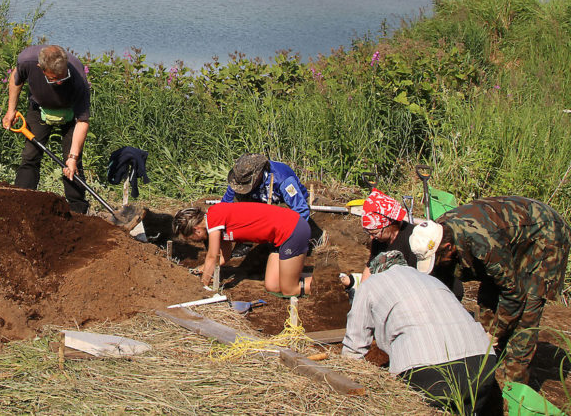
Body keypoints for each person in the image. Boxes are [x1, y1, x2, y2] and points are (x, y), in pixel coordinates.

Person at [409, 196, 571, 385]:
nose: (436, 265)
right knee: (488, 298)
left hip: (546, 235)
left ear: (448, 247)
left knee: (526, 313)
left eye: (436, 259)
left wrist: (495, 333)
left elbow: (513, 294)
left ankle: (512, 385)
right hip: (507, 235)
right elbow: (442, 279)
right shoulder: (437, 231)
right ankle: (488, 364)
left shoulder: (484, 244)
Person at [342, 251, 497, 414]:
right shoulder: (431, 280)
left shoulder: (370, 284)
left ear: (376, 271)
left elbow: (354, 348)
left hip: (427, 369)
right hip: (482, 361)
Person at [2, 44, 91, 214]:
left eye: (62, 78)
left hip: (71, 112)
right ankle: (21, 204)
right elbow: (16, 78)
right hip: (39, 109)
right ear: (40, 68)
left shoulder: (77, 74)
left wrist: (72, 157)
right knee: (30, 156)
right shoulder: (27, 60)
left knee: (72, 162)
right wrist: (11, 110)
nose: (59, 82)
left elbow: (83, 120)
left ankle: (78, 210)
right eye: (54, 78)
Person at [172, 202, 312, 297]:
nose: (194, 241)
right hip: (279, 238)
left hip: (292, 230)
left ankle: (321, 287)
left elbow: (212, 257)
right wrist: (199, 270)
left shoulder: (214, 217)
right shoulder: (219, 225)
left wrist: (201, 288)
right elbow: (223, 257)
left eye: (190, 238)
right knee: (273, 286)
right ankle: (296, 275)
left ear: (196, 230)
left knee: (289, 289)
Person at [221, 153, 310, 221]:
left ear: (259, 175)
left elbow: (301, 210)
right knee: (237, 204)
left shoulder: (284, 180)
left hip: (282, 206)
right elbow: (224, 206)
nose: (242, 186)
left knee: (284, 216)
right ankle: (246, 241)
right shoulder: (238, 180)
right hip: (260, 204)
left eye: (247, 184)